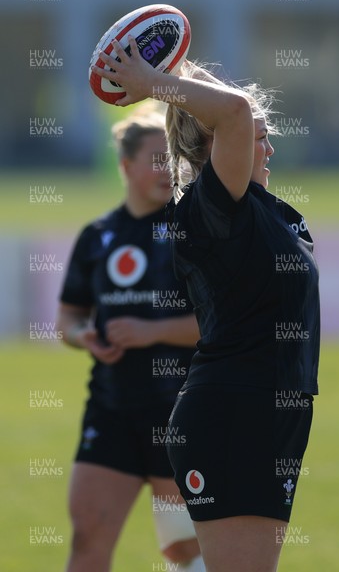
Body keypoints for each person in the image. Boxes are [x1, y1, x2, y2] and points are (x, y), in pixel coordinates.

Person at [93, 37, 320, 572]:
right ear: (216, 147)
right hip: (234, 414)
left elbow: (233, 112)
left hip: (269, 413)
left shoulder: (266, 212)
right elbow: (235, 112)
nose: (267, 148)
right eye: (257, 139)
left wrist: (176, 71)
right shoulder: (214, 209)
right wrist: (151, 85)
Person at [57, 102, 205, 572]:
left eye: (174, 159)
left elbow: (221, 325)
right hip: (111, 409)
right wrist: (86, 337)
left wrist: (151, 330)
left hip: (180, 412)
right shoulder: (97, 236)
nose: (170, 169)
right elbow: (68, 319)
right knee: (87, 539)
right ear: (125, 166)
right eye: (156, 159)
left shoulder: (194, 230)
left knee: (183, 550)